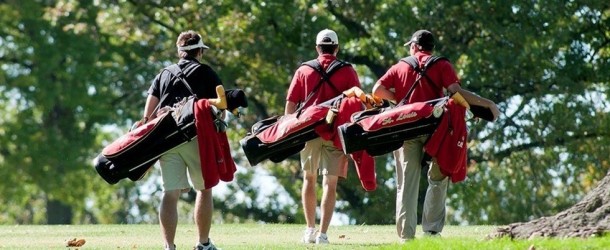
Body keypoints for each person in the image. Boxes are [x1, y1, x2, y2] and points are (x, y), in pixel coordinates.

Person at [372, 29, 500, 241]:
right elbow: (456, 93)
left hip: (407, 129)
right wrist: (487, 103)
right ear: (432, 48)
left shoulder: (401, 66)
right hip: (437, 131)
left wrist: (401, 101)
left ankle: (406, 237)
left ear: (414, 46)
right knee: (438, 179)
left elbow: (377, 90)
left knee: (407, 184)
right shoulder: (442, 65)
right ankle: (431, 232)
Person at [139, 30, 222, 250]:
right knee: (204, 189)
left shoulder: (163, 74)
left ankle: (169, 246)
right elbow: (220, 108)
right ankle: (203, 244)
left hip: (167, 139)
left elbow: (148, 115)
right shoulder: (207, 73)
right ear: (199, 52)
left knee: (170, 192)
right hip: (197, 137)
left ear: (179, 51)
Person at [285, 29, 361, 244]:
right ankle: (323, 234)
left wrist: (289, 130)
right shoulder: (347, 71)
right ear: (336, 48)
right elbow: (358, 103)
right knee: (331, 183)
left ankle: (309, 229)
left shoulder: (304, 70)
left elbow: (291, 104)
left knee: (309, 178)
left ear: (317, 47)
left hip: (309, 131)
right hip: (336, 133)